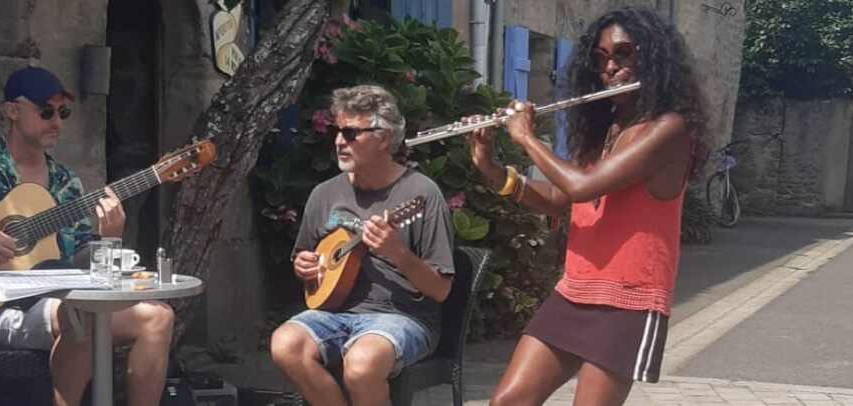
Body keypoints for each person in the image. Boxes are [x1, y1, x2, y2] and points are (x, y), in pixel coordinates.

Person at [0, 65, 175, 406]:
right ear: (12, 111)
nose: (57, 122)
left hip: (52, 302)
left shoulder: (67, 183)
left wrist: (110, 239)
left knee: (158, 316)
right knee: (83, 314)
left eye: (62, 113)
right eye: (46, 111)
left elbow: (84, 263)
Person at [462, 7, 711, 406]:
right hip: (575, 290)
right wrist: (493, 170)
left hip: (629, 298)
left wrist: (526, 138)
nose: (610, 67)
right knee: (507, 401)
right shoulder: (604, 132)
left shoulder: (669, 129)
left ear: (652, 56)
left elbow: (582, 187)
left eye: (623, 54)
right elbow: (558, 199)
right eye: (599, 58)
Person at [268, 85, 456, 406]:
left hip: (403, 316)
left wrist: (396, 251)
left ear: (383, 138)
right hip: (333, 312)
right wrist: (304, 266)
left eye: (351, 133)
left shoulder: (422, 194)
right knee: (285, 344)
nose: (340, 141)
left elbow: (440, 290)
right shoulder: (324, 194)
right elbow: (305, 260)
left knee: (361, 363)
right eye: (337, 131)